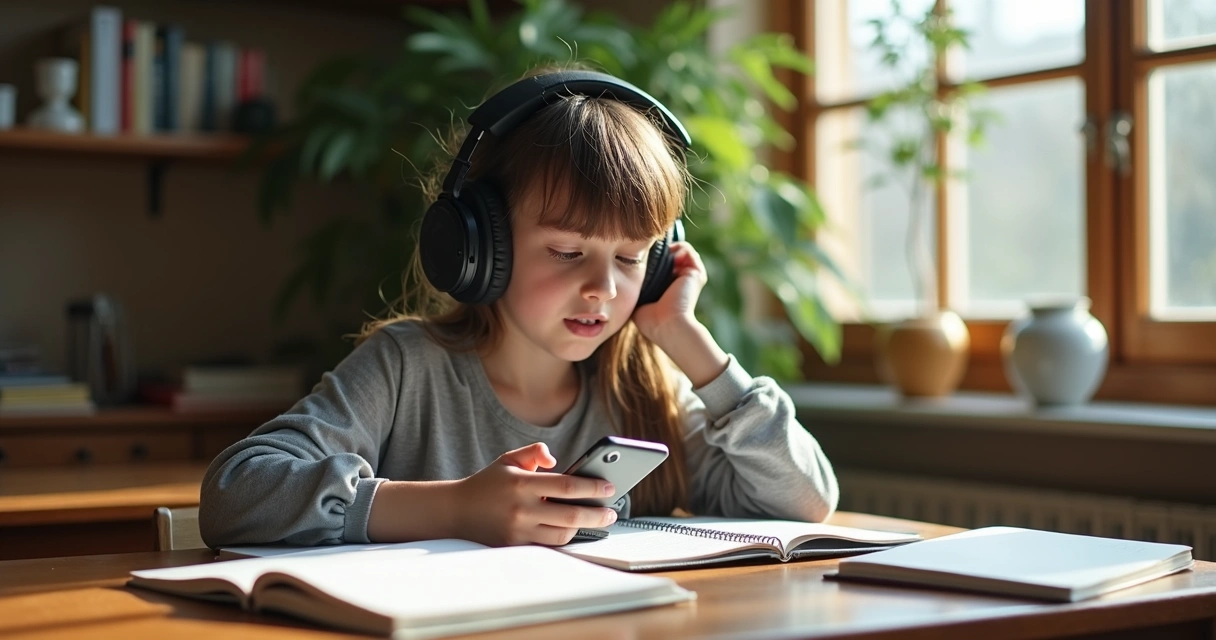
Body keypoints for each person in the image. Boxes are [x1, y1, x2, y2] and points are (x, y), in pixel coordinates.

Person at [199, 69, 838, 549]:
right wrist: (454, 508)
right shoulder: (406, 368)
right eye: (566, 251)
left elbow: (806, 501)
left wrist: (684, 338)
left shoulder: (644, 389)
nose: (602, 288)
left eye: (630, 257)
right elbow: (235, 494)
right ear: (482, 246)